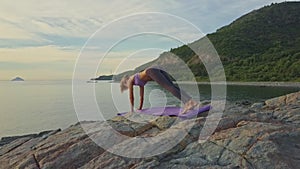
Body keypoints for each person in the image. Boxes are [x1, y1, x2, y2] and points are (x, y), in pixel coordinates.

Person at [120, 67, 201, 115]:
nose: (127, 87)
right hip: (156, 69)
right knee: (172, 86)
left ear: (125, 81)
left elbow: (131, 97)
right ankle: (191, 101)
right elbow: (141, 96)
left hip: (151, 71)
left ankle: (188, 103)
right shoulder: (138, 81)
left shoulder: (130, 80)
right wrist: (140, 108)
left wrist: (131, 111)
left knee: (169, 87)